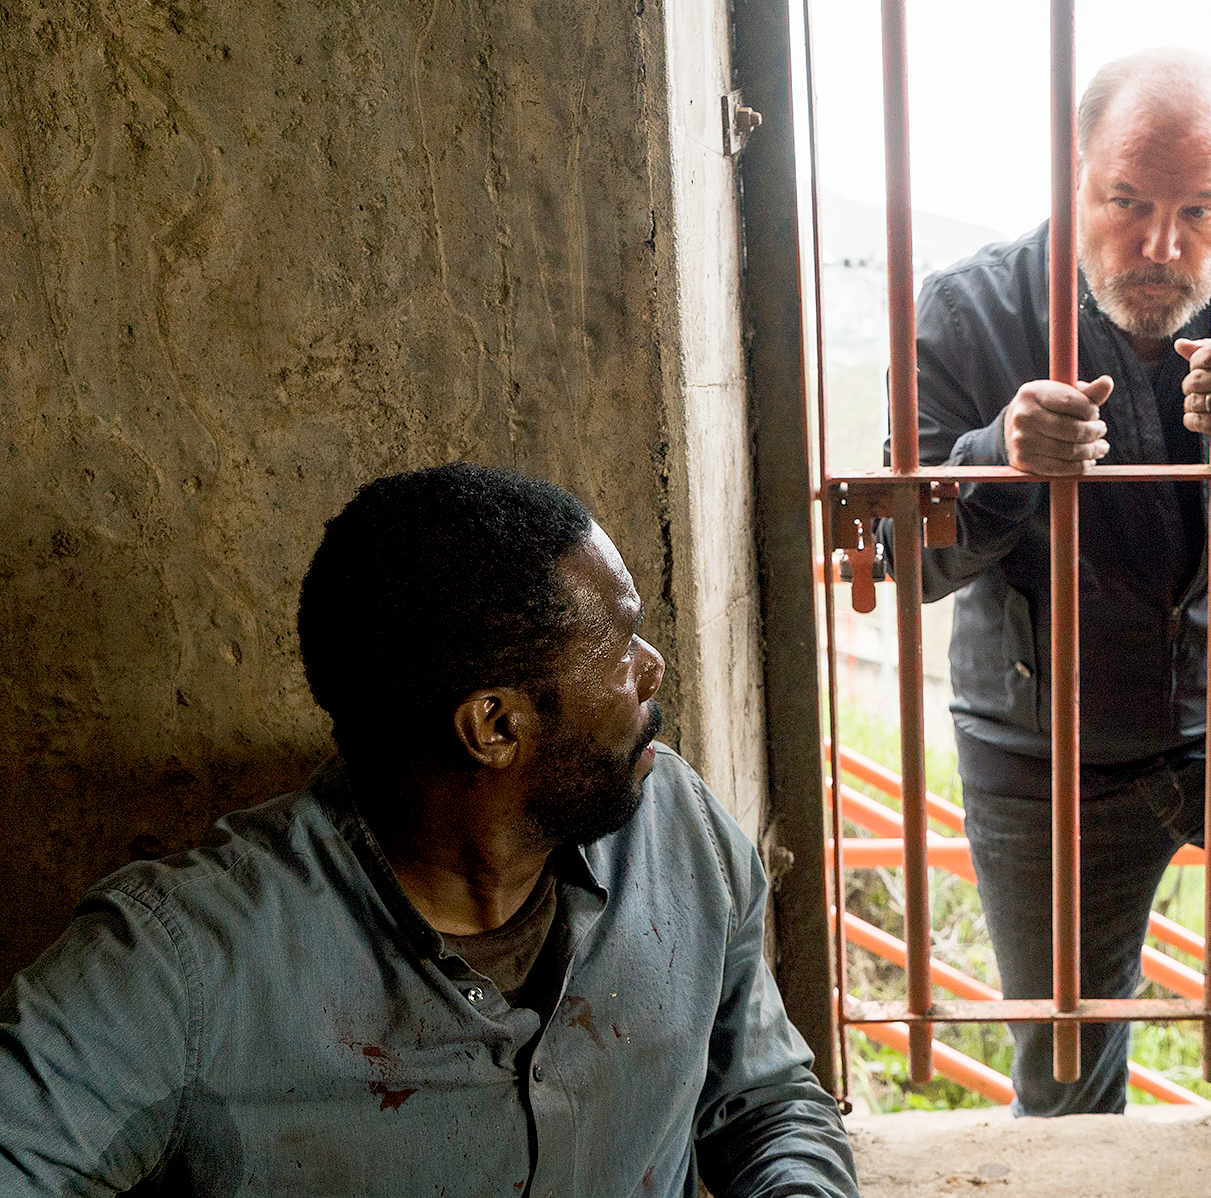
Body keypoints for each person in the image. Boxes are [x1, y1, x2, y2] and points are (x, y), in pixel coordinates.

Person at [0, 463, 859, 1196]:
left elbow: (766, 1100)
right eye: (621, 643)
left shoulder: (676, 829)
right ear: (494, 725)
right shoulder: (182, 966)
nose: (651, 667)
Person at [887, 47, 1211, 1114]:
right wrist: (998, 460)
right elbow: (902, 559)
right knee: (1071, 1087)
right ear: (1071, 172)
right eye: (1126, 201)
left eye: (1200, 211)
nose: (1161, 247)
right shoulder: (969, 310)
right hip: (1045, 762)